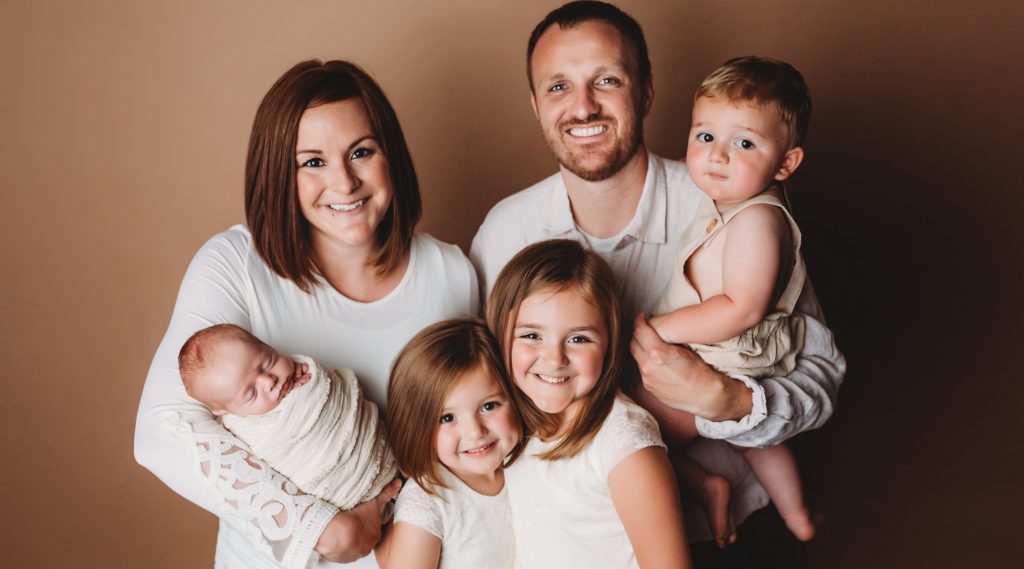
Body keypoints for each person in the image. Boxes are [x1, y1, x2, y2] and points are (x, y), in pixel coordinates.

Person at [469, 0, 844, 561]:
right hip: (576, 542)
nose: (583, 106)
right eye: (558, 87)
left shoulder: (730, 206)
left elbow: (820, 378)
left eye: (607, 80)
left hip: (726, 537)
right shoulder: (505, 232)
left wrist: (730, 400)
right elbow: (483, 395)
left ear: (645, 91)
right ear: (535, 105)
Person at [134, 60, 479, 569]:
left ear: (392, 158)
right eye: (312, 162)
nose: (344, 182)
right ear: (278, 173)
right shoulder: (235, 264)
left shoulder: (452, 274)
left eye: (361, 151)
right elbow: (161, 432)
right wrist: (317, 527)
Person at [647, 56, 817, 544]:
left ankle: (712, 490)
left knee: (636, 427)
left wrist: (663, 329)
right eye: (705, 137)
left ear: (785, 163)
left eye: (743, 142)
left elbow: (742, 308)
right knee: (755, 440)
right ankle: (794, 513)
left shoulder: (759, 221)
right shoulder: (729, 206)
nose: (717, 155)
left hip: (727, 352)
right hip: (729, 356)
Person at [486, 239, 691, 569]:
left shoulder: (623, 445)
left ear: (609, 343)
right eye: (531, 336)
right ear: (500, 332)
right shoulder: (512, 425)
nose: (554, 359)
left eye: (578, 338)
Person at [177, 324, 396, 512]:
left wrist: (308, 390)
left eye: (267, 362)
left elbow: (333, 391)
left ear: (268, 346)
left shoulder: (303, 372)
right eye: (252, 393)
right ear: (226, 410)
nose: (269, 381)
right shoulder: (245, 433)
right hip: (342, 493)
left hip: (381, 452)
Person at [378, 318, 521, 569]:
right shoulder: (428, 500)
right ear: (418, 427)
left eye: (489, 406)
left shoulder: (525, 463)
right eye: (447, 418)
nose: (475, 431)